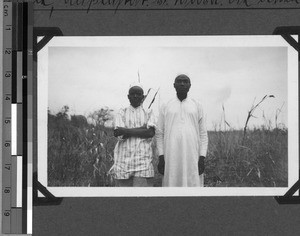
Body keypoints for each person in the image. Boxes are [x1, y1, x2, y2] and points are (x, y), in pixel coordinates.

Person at [156, 74, 208, 187]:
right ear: (174, 85)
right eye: (179, 81)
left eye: (185, 81)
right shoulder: (166, 105)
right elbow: (159, 133)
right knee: (171, 186)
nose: (182, 84)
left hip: (192, 155)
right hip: (170, 155)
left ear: (190, 85)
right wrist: (161, 157)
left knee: (193, 186)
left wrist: (202, 158)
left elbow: (203, 134)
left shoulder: (197, 105)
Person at [112, 83, 156, 187]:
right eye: (133, 94)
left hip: (143, 162)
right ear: (128, 96)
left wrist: (126, 130)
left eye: (138, 94)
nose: (135, 96)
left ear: (143, 96)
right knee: (124, 200)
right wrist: (143, 129)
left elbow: (150, 133)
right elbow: (119, 134)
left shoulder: (148, 112)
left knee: (143, 199)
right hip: (123, 162)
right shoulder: (122, 112)